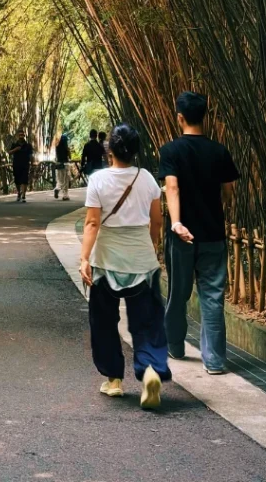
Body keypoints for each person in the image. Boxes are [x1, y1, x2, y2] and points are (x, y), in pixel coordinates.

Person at [79, 123, 170, 409]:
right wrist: (150, 247)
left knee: (104, 321)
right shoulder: (147, 180)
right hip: (141, 261)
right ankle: (151, 370)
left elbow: (92, 223)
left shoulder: (98, 180)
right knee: (147, 321)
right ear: (136, 151)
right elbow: (156, 221)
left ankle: (114, 380)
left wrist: (84, 258)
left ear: (110, 150)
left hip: (107, 261)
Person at [159, 91, 239, 376]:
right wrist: (217, 208)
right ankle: (214, 361)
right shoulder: (220, 151)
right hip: (213, 234)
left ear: (180, 117)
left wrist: (177, 223)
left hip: (182, 236)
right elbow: (228, 191)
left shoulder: (171, 150)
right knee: (213, 297)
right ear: (205, 117)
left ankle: (175, 346)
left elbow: (172, 187)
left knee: (178, 293)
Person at [10, 129, 33, 202]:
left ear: (24, 136)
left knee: (24, 180)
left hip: (25, 164)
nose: (21, 136)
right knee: (17, 180)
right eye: (20, 135)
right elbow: (9, 152)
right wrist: (15, 149)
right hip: (16, 164)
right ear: (18, 136)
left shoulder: (28, 145)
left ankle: (23, 195)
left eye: (22, 135)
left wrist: (32, 163)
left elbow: (31, 155)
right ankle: (19, 193)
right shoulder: (14, 144)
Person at [53, 133, 72, 200]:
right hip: (65, 164)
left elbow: (56, 156)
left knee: (59, 179)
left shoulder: (57, 147)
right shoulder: (66, 148)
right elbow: (70, 156)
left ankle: (57, 188)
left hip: (58, 164)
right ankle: (65, 195)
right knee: (65, 181)